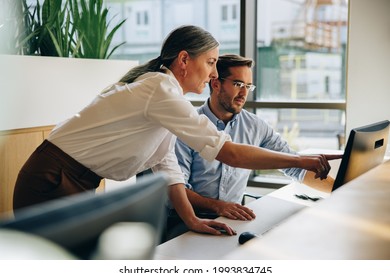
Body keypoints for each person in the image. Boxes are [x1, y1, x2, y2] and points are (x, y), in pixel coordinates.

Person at [13, 25, 340, 237]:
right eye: (211, 62)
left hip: (71, 178)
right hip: (53, 177)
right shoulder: (161, 91)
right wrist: (303, 161)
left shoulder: (166, 99)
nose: (213, 73)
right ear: (185, 59)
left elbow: (167, 167)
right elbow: (229, 152)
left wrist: (192, 221)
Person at [171, 54, 336, 230]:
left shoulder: (256, 126)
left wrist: (340, 192)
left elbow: (295, 167)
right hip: (188, 219)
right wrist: (219, 206)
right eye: (238, 84)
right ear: (216, 84)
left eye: (248, 86)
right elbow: (177, 188)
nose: (244, 93)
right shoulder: (187, 126)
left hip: (233, 219)